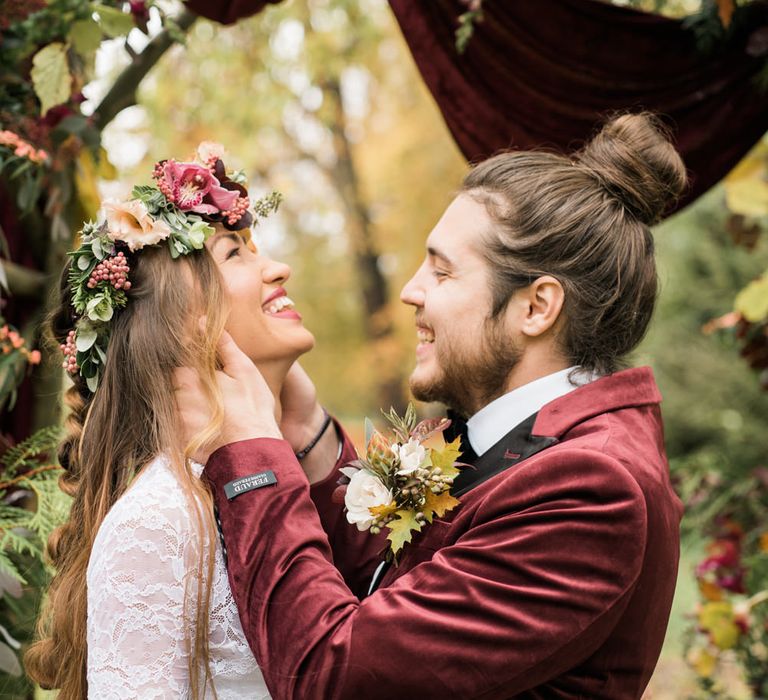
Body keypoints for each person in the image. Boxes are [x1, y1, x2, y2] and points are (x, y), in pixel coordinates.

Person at [174, 113, 687, 699]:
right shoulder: (518, 437)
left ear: (537, 307)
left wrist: (251, 459)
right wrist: (307, 433)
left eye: (442, 271)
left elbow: (337, 677)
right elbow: (400, 590)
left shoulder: (593, 488)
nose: (410, 290)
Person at [24, 144, 316, 698]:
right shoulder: (158, 520)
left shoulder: (304, 474)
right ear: (181, 326)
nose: (279, 268)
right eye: (236, 255)